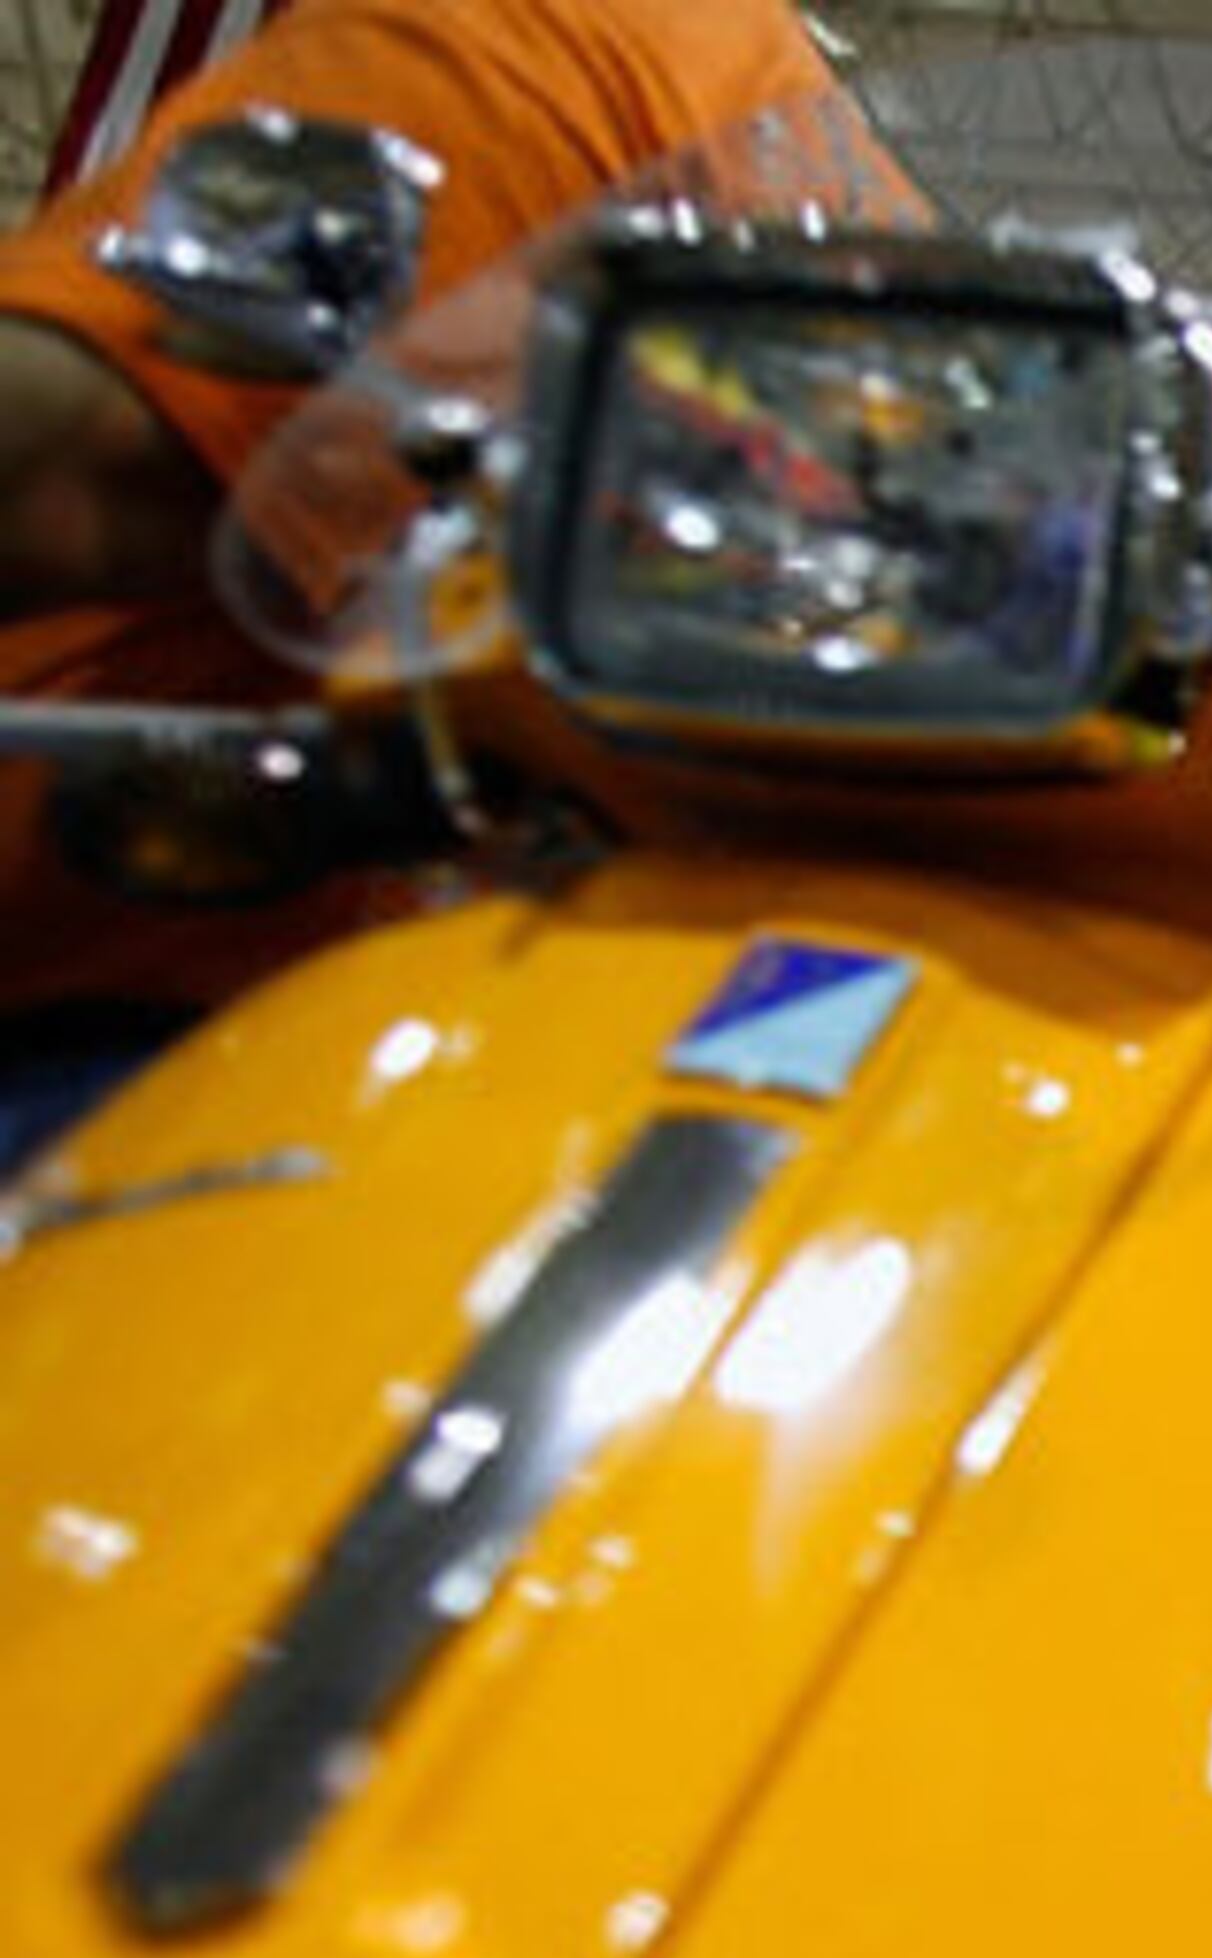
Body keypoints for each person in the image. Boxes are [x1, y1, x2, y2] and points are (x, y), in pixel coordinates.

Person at [0, 0, 838, 1167]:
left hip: (167, 1027)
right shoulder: (722, 71)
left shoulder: (514, 36)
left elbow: (59, 475)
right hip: (396, 1025)